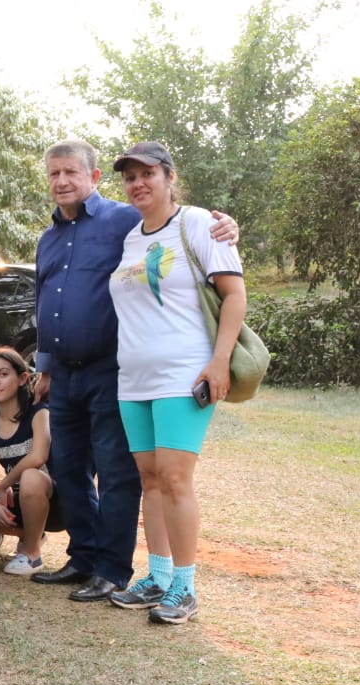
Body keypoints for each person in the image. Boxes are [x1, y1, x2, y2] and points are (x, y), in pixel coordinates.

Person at [30, 139, 237, 603]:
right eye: (54, 174)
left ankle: (112, 568)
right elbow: (46, 300)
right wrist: (44, 366)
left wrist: (227, 226)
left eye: (71, 172)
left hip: (115, 367)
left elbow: (180, 226)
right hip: (68, 372)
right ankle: (83, 556)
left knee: (119, 470)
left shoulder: (123, 219)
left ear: (94, 177)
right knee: (70, 465)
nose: (62, 181)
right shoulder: (51, 238)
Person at [105, 141, 247, 624]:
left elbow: (234, 295)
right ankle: (159, 575)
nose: (137, 183)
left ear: (169, 176)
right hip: (133, 377)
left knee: (175, 478)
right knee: (149, 477)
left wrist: (220, 361)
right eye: (129, 177)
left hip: (183, 373)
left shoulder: (200, 224)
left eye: (147, 173)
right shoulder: (131, 239)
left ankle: (184, 585)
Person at [0, 347, 62, 576]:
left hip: (57, 503)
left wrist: (4, 484)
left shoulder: (39, 412)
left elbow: (38, 456)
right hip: (20, 503)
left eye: (3, 374)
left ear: (23, 378)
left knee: (30, 477)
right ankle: (30, 534)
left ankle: (32, 554)